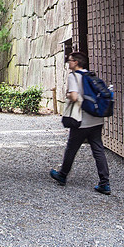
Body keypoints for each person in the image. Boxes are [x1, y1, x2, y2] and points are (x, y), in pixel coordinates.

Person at [50, 51, 111, 195]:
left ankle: (62, 175)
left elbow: (75, 96)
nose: (68, 63)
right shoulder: (90, 75)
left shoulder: (74, 76)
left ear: (76, 62)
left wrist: (68, 95)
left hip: (81, 120)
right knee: (98, 149)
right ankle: (105, 182)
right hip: (96, 119)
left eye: (70, 60)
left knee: (71, 148)